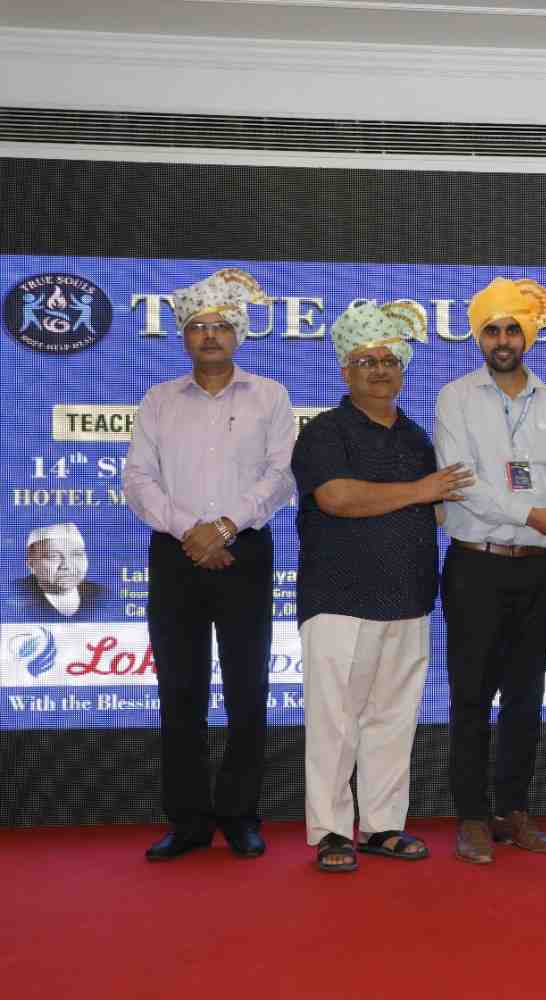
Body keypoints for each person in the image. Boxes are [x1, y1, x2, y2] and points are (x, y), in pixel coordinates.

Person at [293, 300, 474, 873]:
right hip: (339, 601)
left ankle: (382, 825)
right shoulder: (325, 432)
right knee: (335, 722)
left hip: (410, 599)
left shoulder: (418, 437)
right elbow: (336, 497)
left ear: (403, 369)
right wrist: (422, 490)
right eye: (366, 361)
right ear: (345, 371)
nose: (379, 370)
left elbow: (444, 508)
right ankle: (330, 831)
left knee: (394, 720)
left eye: (389, 360)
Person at [122, 267, 295, 861]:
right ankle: (189, 821)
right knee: (181, 692)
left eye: (221, 325)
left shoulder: (270, 396)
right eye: (199, 326)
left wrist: (223, 528)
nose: (211, 335)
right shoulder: (159, 400)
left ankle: (241, 815)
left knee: (248, 691)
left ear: (238, 333)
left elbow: (281, 476)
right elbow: (137, 478)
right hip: (175, 556)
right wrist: (189, 532)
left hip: (245, 552)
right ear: (184, 336)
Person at [435, 276, 546, 864]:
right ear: (480, 337)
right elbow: (462, 482)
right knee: (471, 696)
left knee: (526, 696)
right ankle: (472, 818)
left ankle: (514, 811)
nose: (502, 340)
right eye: (492, 330)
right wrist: (532, 514)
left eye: (512, 330)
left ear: (529, 337)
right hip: (476, 565)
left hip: (539, 569)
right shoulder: (456, 398)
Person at [11, 523, 105, 620]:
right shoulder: (15, 593)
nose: (67, 565)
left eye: (77, 554)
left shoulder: (101, 595)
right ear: (31, 564)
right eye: (53, 556)